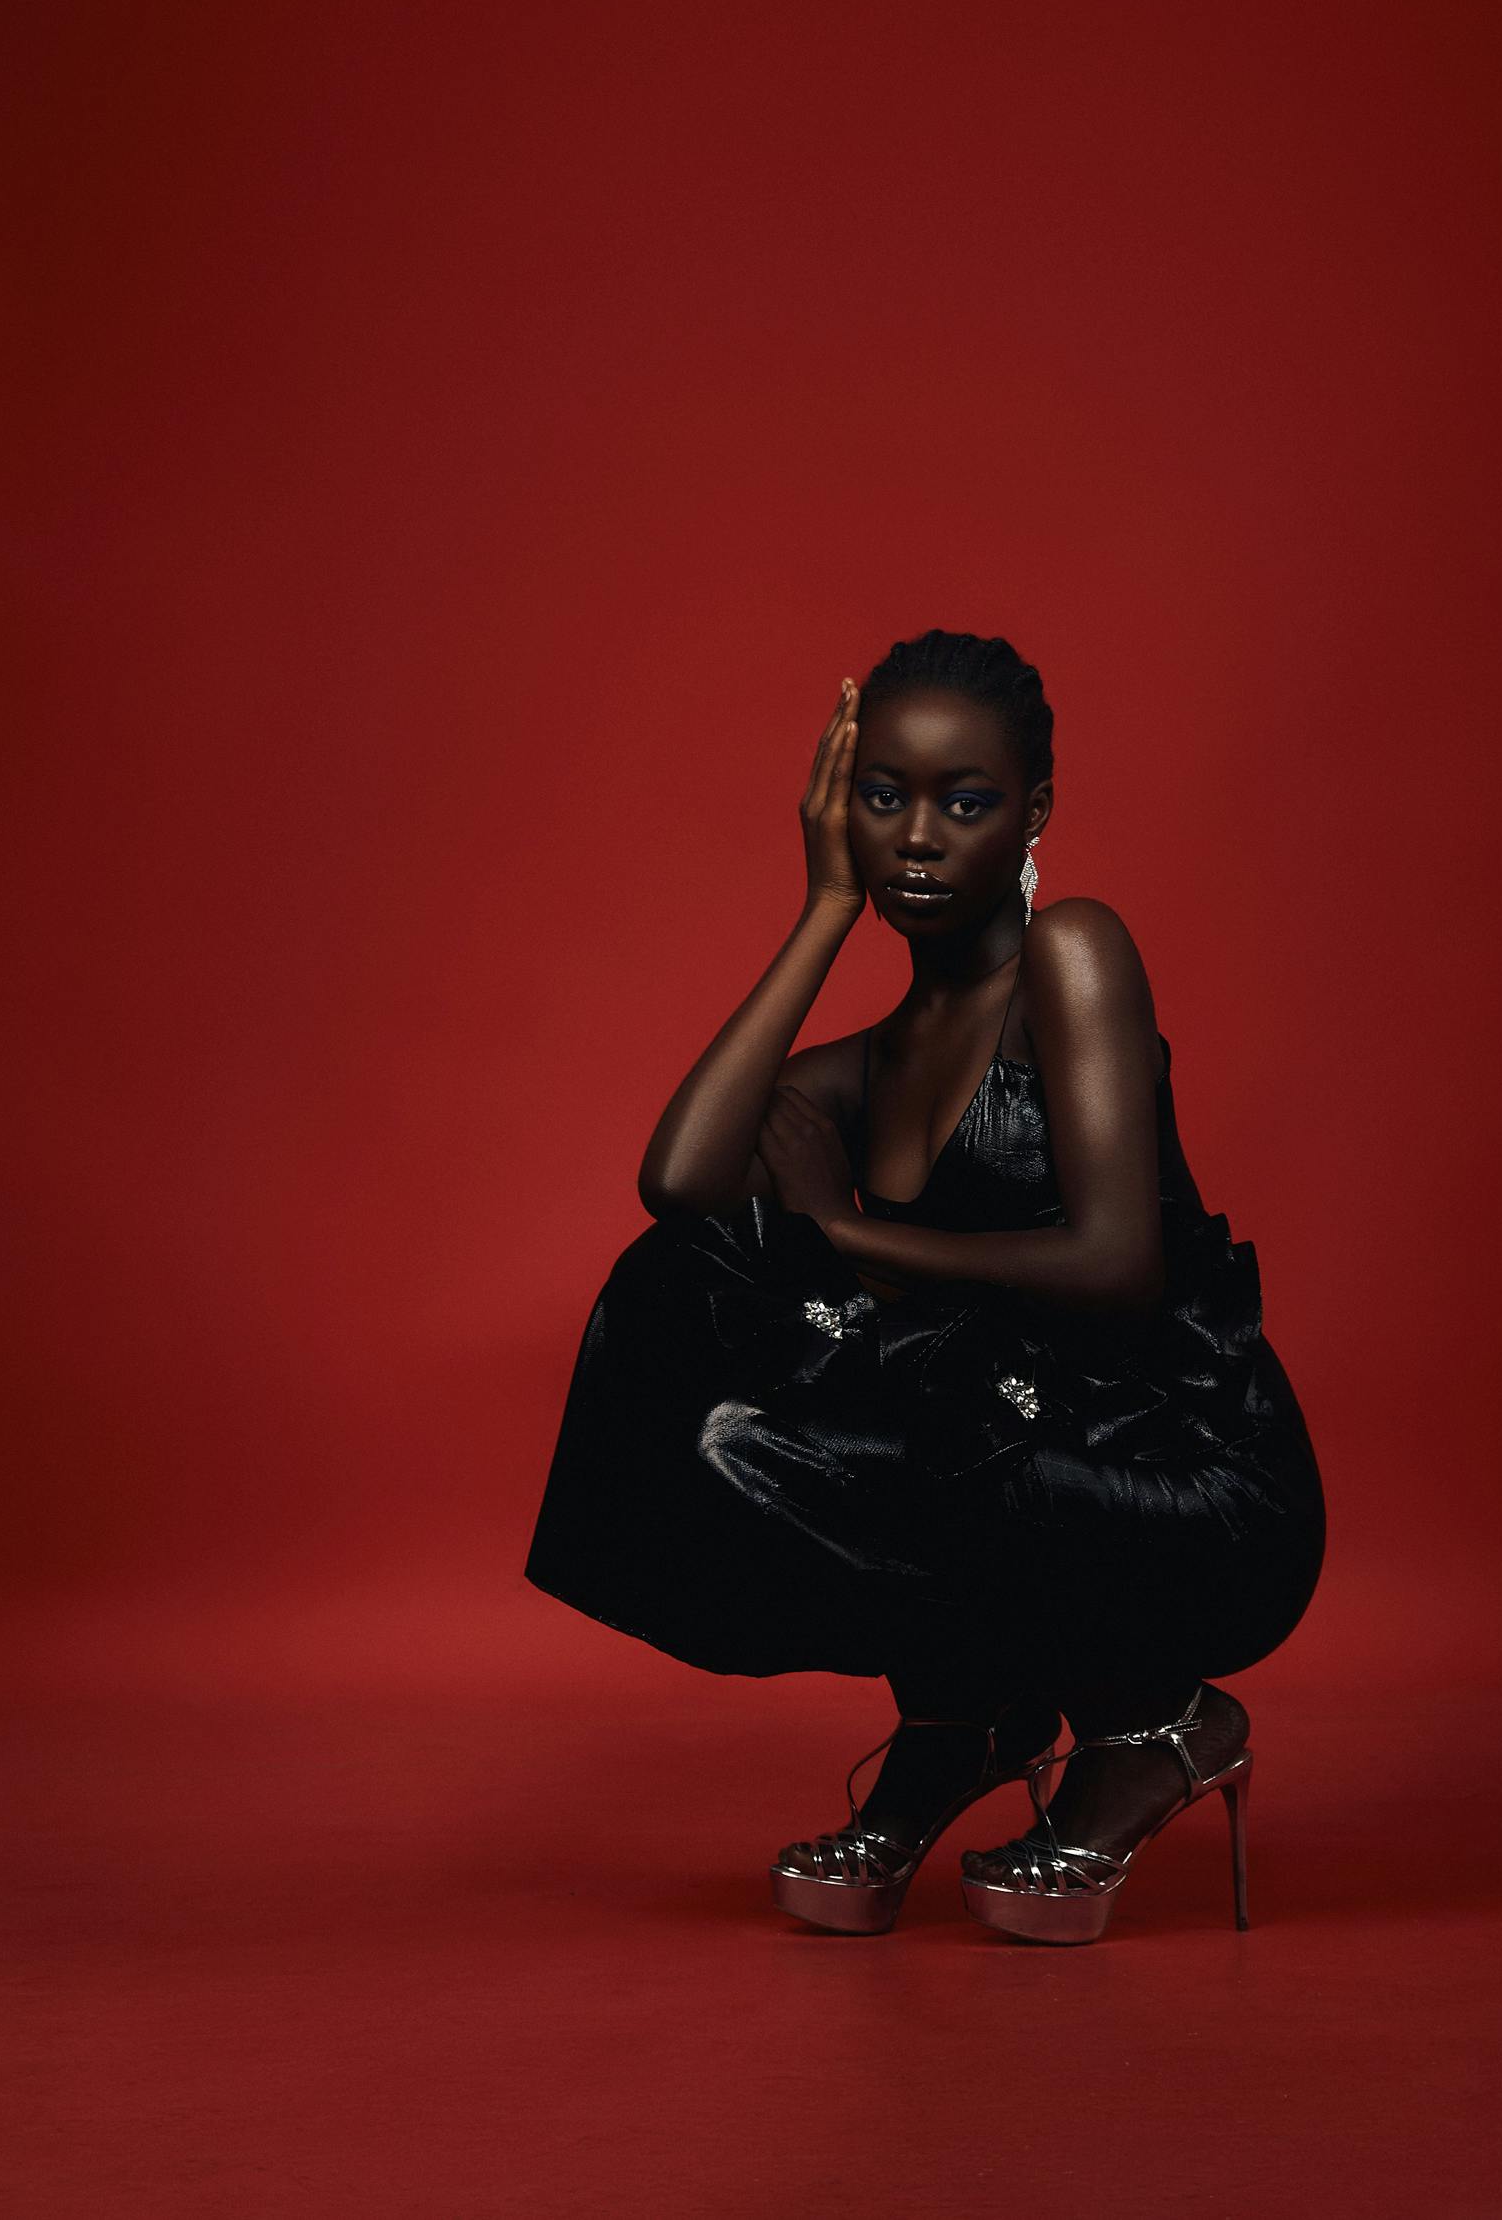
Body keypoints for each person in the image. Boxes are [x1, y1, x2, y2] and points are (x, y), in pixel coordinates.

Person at [525, 628, 1327, 1945]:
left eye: (966, 803)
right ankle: (971, 1711)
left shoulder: (1071, 955)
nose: (917, 838)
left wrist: (852, 1232)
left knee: (896, 1416)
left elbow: (1115, 1269)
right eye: (883, 796)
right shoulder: (871, 1065)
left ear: (1033, 813)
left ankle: (1160, 1721)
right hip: (1006, 1462)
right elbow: (678, 1185)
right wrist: (822, 911)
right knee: (693, 1294)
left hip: (1192, 1484)